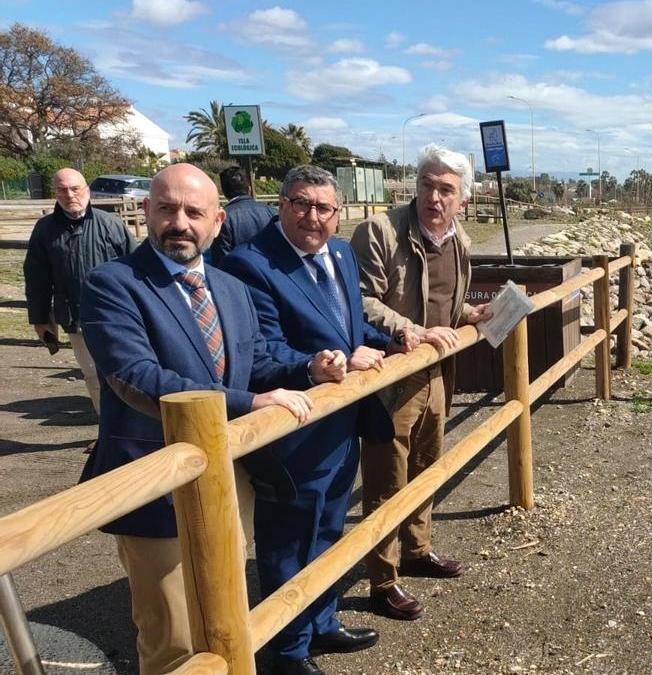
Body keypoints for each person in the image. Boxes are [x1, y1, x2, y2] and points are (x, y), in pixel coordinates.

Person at [79, 163, 347, 675]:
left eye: (194, 212)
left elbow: (256, 361)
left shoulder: (228, 287)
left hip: (227, 476)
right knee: (172, 633)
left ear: (217, 221)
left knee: (224, 613)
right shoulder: (113, 284)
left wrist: (308, 367)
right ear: (145, 211)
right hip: (155, 485)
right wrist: (250, 403)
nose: (179, 222)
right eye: (167, 209)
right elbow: (136, 377)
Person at [222, 164, 393, 675]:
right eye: (300, 204)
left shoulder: (340, 252)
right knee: (288, 539)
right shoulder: (249, 264)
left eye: (322, 207)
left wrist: (394, 340)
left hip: (340, 424)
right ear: (280, 205)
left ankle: (323, 621)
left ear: (338, 215)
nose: (311, 216)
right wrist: (311, 365)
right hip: (291, 429)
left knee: (328, 528)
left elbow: (352, 324)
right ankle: (290, 648)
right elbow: (257, 350)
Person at [349, 144, 490, 621]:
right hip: (392, 376)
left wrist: (473, 315)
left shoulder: (459, 240)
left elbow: (447, 301)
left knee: (428, 466)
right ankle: (382, 580)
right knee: (387, 479)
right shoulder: (381, 232)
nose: (434, 196)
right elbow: (361, 301)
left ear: (463, 199)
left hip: (436, 374)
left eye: (446, 190)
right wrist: (408, 329)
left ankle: (417, 550)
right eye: (427, 185)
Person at [24, 168, 136, 413]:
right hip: (75, 317)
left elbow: (136, 268)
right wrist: (40, 318)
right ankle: (105, 433)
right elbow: (36, 278)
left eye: (75, 188)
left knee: (125, 374)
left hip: (116, 316)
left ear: (86, 190)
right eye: (62, 190)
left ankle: (131, 431)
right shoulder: (45, 230)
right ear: (55, 193)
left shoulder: (111, 225)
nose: (69, 195)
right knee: (93, 376)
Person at [211, 165, 276, 266]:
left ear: (224, 193)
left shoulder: (222, 219)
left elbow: (221, 261)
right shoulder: (272, 213)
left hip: (237, 278)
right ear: (249, 189)